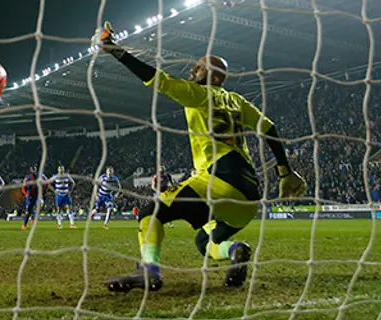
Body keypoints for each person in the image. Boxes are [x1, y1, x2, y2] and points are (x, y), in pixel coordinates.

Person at [94, 21, 307, 291]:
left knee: (150, 213)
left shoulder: (197, 94)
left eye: (200, 67)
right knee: (204, 243)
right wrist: (285, 172)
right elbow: (269, 128)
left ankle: (149, 271)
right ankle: (235, 250)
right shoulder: (238, 101)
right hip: (249, 194)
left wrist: (115, 51)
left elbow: (157, 79)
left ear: (215, 77)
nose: (193, 70)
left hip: (220, 179)